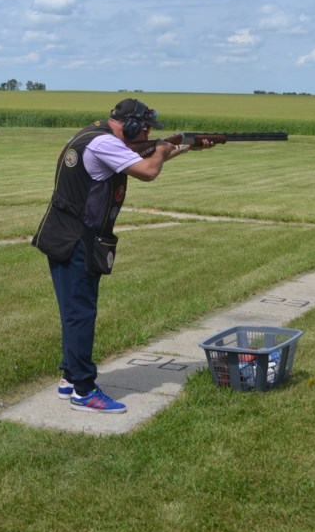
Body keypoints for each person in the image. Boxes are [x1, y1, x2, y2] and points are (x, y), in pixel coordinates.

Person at [32, 98, 212, 413]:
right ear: (129, 125)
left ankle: (70, 378)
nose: (146, 135)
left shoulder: (95, 135)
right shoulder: (104, 143)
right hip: (77, 240)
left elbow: (140, 157)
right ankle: (84, 392)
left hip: (63, 234)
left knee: (73, 311)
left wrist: (184, 147)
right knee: (80, 314)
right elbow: (147, 170)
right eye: (144, 129)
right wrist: (162, 149)